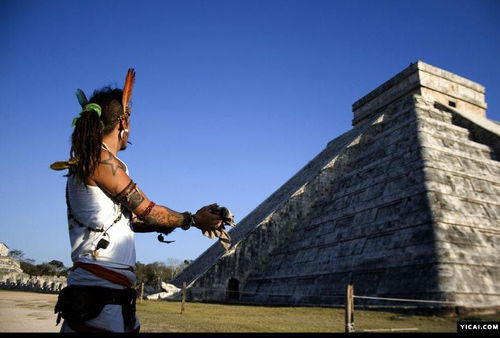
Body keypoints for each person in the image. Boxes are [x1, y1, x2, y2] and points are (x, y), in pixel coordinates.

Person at [51, 69, 223, 333]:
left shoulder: (99, 161)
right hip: (99, 297)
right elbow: (149, 211)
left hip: (108, 296)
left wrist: (168, 224)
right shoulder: (102, 162)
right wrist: (192, 219)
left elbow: (132, 220)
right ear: (123, 123)